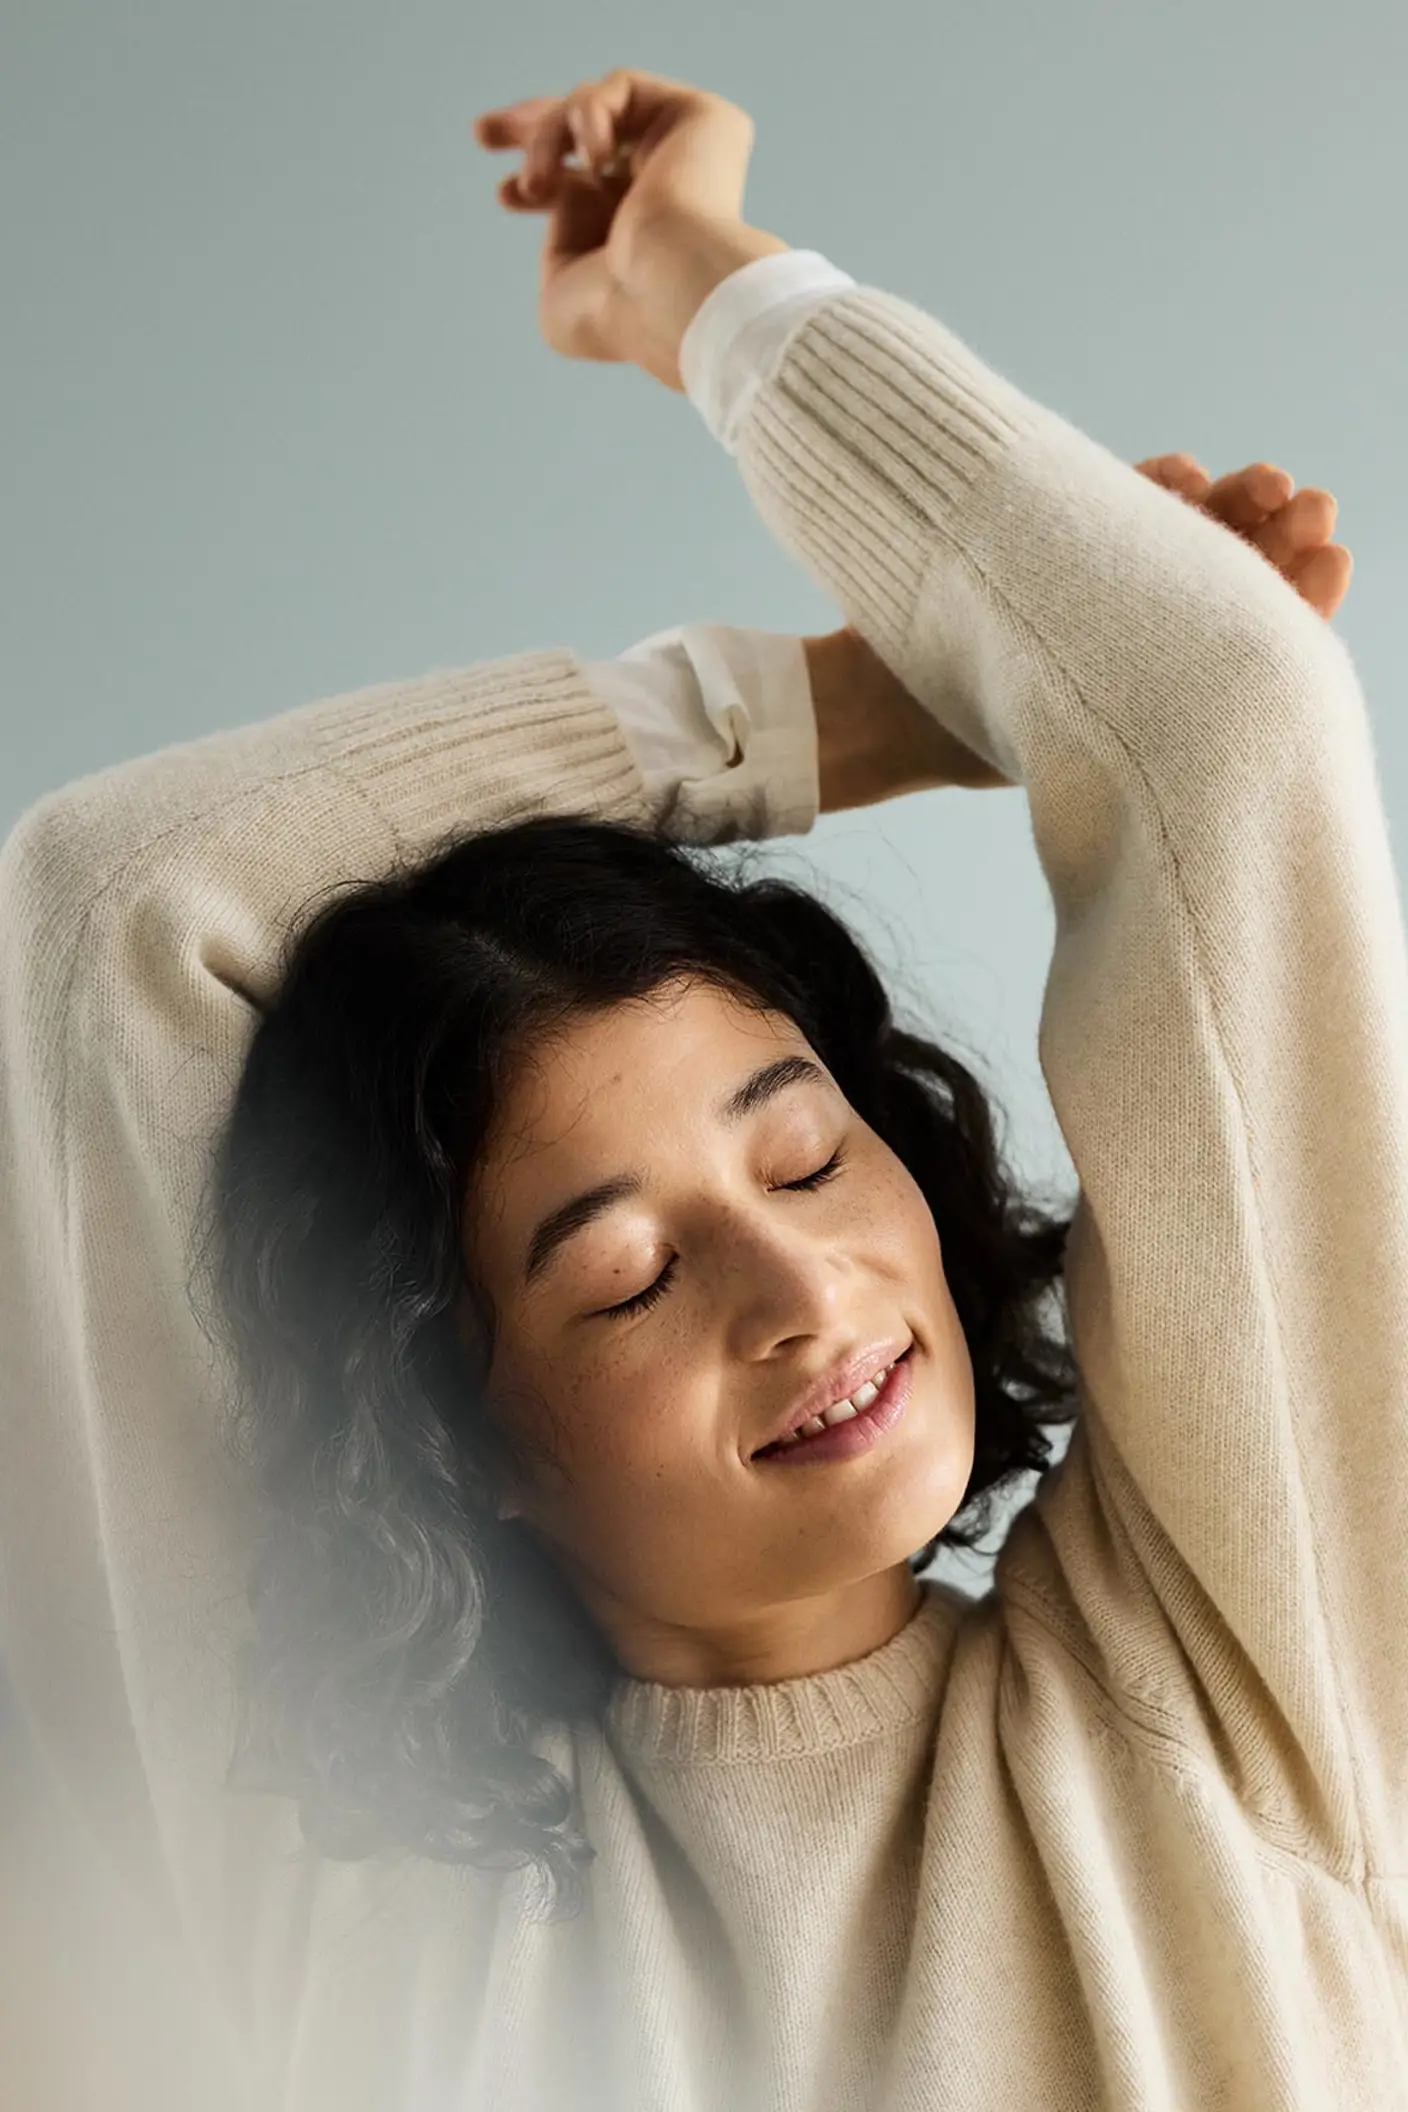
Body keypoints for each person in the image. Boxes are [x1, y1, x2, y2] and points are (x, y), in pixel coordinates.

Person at [0, 60, 1400, 2112]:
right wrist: (863, 703)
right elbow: (111, 906)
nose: (805, 1292)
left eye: (807, 1156)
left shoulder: (1240, 1686)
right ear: (458, 1429)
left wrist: (695, 284)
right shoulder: (355, 1886)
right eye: (628, 1278)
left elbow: (1220, 702)